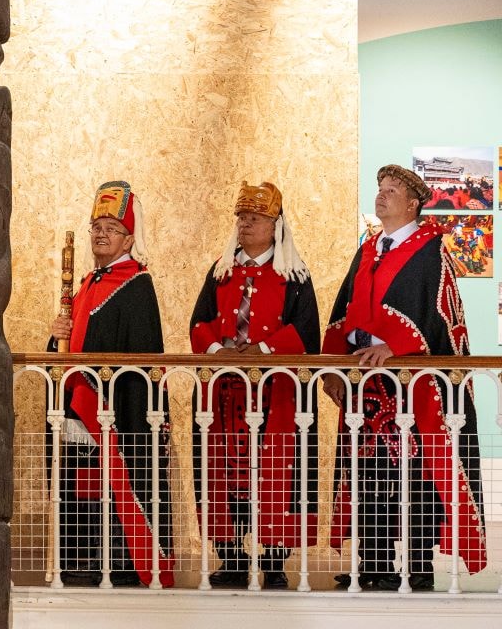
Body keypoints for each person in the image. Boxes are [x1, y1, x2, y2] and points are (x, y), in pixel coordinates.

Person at [324, 164, 487, 591]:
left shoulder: (430, 251)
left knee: (414, 478)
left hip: (412, 389)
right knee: (368, 476)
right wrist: (336, 364)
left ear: (413, 203)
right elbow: (344, 311)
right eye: (380, 188)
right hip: (365, 385)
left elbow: (441, 317)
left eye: (392, 190)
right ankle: (372, 564)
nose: (381, 195)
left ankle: (416, 567)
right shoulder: (367, 249)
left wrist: (395, 347)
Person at [188, 181, 320, 589]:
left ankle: (275, 559)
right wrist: (217, 351)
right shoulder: (221, 270)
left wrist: (262, 350)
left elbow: (305, 332)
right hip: (225, 395)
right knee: (221, 474)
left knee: (278, 474)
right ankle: (230, 557)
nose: (246, 225)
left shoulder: (294, 275)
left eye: (255, 218)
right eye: (242, 218)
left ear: (275, 224)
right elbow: (199, 322)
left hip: (276, 394)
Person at [48, 181, 173, 588]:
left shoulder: (137, 284)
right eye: (95, 226)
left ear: (129, 239)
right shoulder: (86, 282)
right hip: (77, 406)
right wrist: (56, 335)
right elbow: (70, 345)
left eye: (111, 227)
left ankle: (122, 559)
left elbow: (138, 354)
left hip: (115, 409)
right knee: (81, 485)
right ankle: (80, 556)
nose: (101, 233)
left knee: (116, 485)